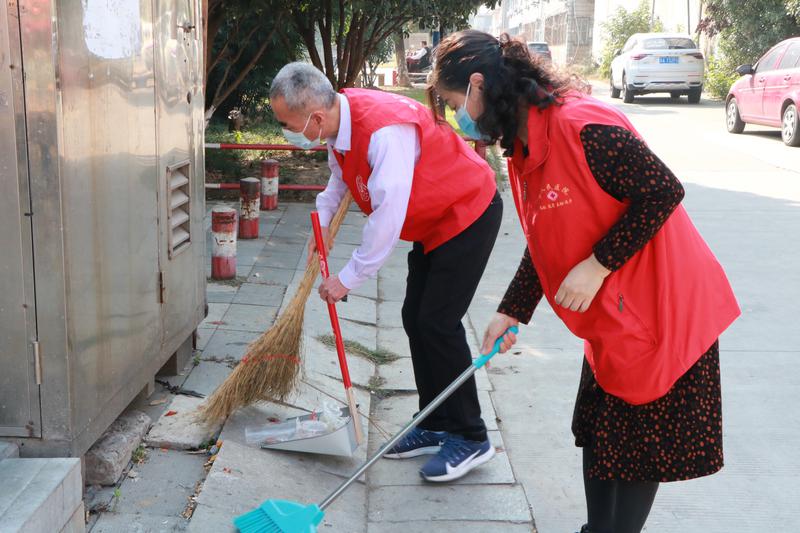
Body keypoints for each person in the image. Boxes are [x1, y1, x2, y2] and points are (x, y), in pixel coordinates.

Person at [429, 30, 740, 532]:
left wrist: (598, 264)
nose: (456, 117)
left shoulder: (580, 127)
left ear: (479, 85)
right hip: (617, 317)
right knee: (602, 437)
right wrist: (514, 307)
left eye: (452, 102)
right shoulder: (525, 142)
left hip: (664, 309)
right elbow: (549, 235)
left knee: (637, 449)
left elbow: (662, 190)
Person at [269, 62, 503, 482]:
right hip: (434, 223)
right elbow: (338, 184)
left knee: (438, 322)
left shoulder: (382, 131)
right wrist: (319, 230)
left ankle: (470, 435)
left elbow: (386, 218)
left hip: (469, 211)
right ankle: (434, 422)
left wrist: (348, 278)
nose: (287, 131)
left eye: (288, 124)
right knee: (415, 318)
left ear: (315, 117)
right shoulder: (337, 125)